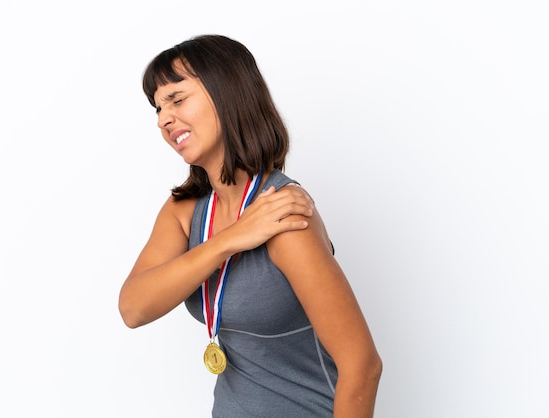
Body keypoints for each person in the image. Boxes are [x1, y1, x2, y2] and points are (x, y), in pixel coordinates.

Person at [118, 34, 382, 417]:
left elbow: (363, 366)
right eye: (157, 108)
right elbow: (134, 308)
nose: (164, 119)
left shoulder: (284, 214)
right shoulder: (186, 210)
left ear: (228, 93)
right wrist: (231, 239)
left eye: (176, 99)